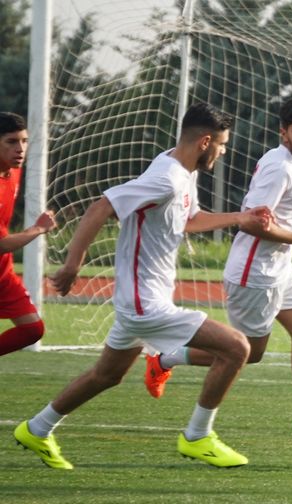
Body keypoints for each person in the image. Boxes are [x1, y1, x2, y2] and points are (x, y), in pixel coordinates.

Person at [13, 103, 272, 470]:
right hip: (144, 303)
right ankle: (198, 437)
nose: (223, 152)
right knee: (237, 347)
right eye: (223, 145)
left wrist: (241, 217)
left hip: (139, 300)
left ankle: (37, 428)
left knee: (107, 375)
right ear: (205, 141)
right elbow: (100, 208)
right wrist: (72, 265)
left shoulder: (181, 171)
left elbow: (190, 220)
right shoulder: (165, 176)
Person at [144, 97, 292, 438]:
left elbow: (275, 216)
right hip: (254, 274)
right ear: (283, 133)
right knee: (249, 353)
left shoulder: (289, 163)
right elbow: (251, 222)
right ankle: (164, 359)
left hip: (280, 268)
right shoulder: (280, 167)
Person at [0, 112, 57, 356]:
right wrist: (39, 228)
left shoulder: (13, 172)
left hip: (3, 273)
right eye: (11, 142)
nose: (20, 149)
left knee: (32, 329)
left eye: (24, 141)